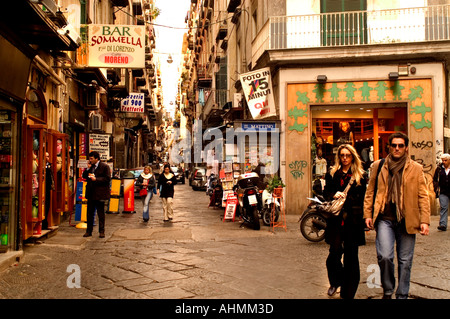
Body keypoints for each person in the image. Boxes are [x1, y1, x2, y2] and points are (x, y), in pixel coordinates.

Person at [364, 132, 430, 299]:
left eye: (401, 145)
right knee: (384, 256)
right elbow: (370, 191)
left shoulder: (416, 168)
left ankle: (402, 295)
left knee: (405, 261)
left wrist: (425, 221)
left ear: (406, 148)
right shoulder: (379, 166)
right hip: (384, 219)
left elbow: (423, 195)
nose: (397, 148)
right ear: (389, 147)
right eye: (394, 145)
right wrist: (367, 215)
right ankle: (388, 289)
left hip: (407, 220)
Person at [323, 144, 367, 299]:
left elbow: (363, 198)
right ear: (339, 157)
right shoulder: (333, 173)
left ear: (353, 156)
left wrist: (347, 198)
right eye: (342, 155)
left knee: (351, 259)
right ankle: (336, 281)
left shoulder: (360, 175)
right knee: (333, 257)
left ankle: (348, 293)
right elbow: (326, 192)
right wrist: (333, 194)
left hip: (352, 222)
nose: (345, 158)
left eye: (348, 155)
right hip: (336, 221)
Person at [82, 151, 111, 238]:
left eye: (91, 158)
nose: (90, 160)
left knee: (100, 213)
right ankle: (89, 231)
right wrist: (87, 169)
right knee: (89, 213)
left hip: (100, 193)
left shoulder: (104, 166)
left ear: (96, 158)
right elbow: (84, 176)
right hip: (91, 193)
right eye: (89, 159)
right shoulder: (91, 167)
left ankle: (101, 231)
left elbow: (107, 178)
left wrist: (96, 179)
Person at [433, 153, 450, 231]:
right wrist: (436, 187)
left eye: (445, 160)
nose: (444, 162)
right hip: (443, 191)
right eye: (443, 160)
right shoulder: (439, 169)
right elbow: (435, 179)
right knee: (443, 207)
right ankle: (443, 224)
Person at [43, 152, 55, 230]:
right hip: (42, 187)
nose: (47, 158)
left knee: (47, 205)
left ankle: (45, 223)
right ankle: (43, 223)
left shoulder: (49, 165)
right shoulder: (41, 164)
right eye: (46, 156)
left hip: (47, 187)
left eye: (48, 156)